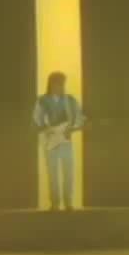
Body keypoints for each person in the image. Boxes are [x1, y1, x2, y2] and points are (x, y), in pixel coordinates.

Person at [33, 72, 86, 211]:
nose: (60, 86)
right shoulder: (42, 100)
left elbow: (80, 118)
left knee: (68, 171)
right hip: (50, 141)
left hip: (65, 140)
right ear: (51, 83)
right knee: (52, 172)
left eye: (62, 83)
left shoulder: (70, 100)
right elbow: (36, 119)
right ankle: (55, 203)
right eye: (57, 82)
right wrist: (45, 128)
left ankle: (68, 202)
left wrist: (72, 129)